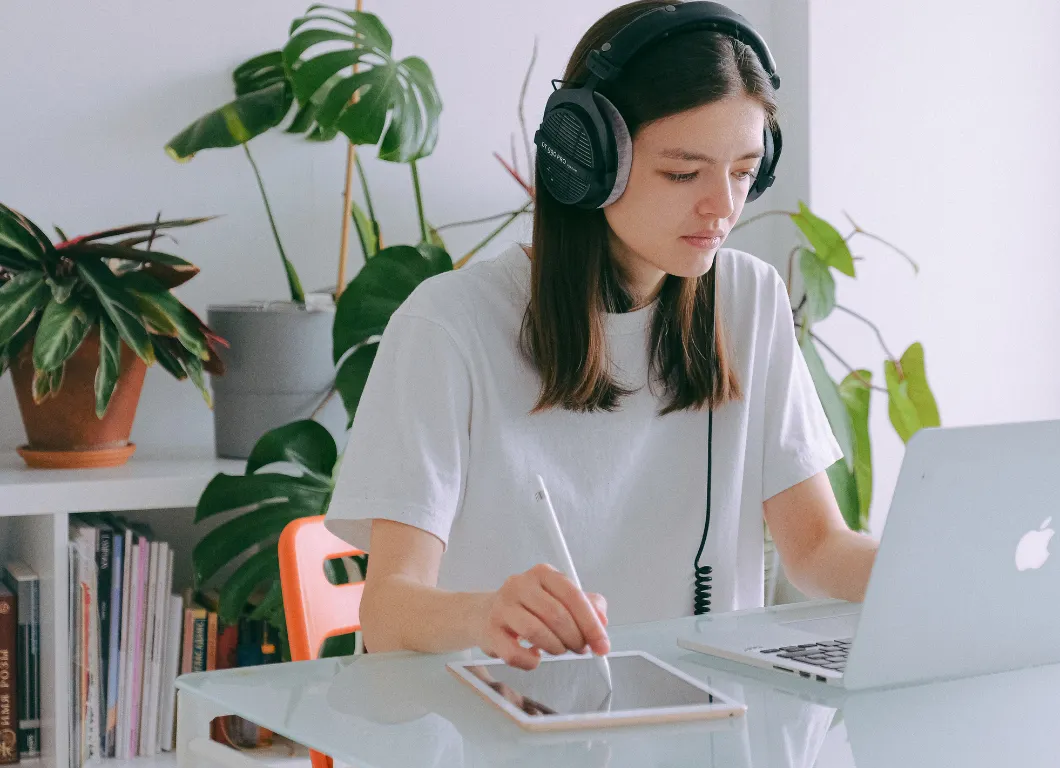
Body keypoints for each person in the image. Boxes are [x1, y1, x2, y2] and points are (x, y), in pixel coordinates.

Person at [324, 0, 879, 671]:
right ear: (585, 161)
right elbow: (387, 609)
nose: (723, 207)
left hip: (700, 739)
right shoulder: (449, 324)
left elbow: (817, 548)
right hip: (493, 732)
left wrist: (945, 569)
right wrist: (483, 612)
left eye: (742, 171)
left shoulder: (749, 300)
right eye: (683, 172)